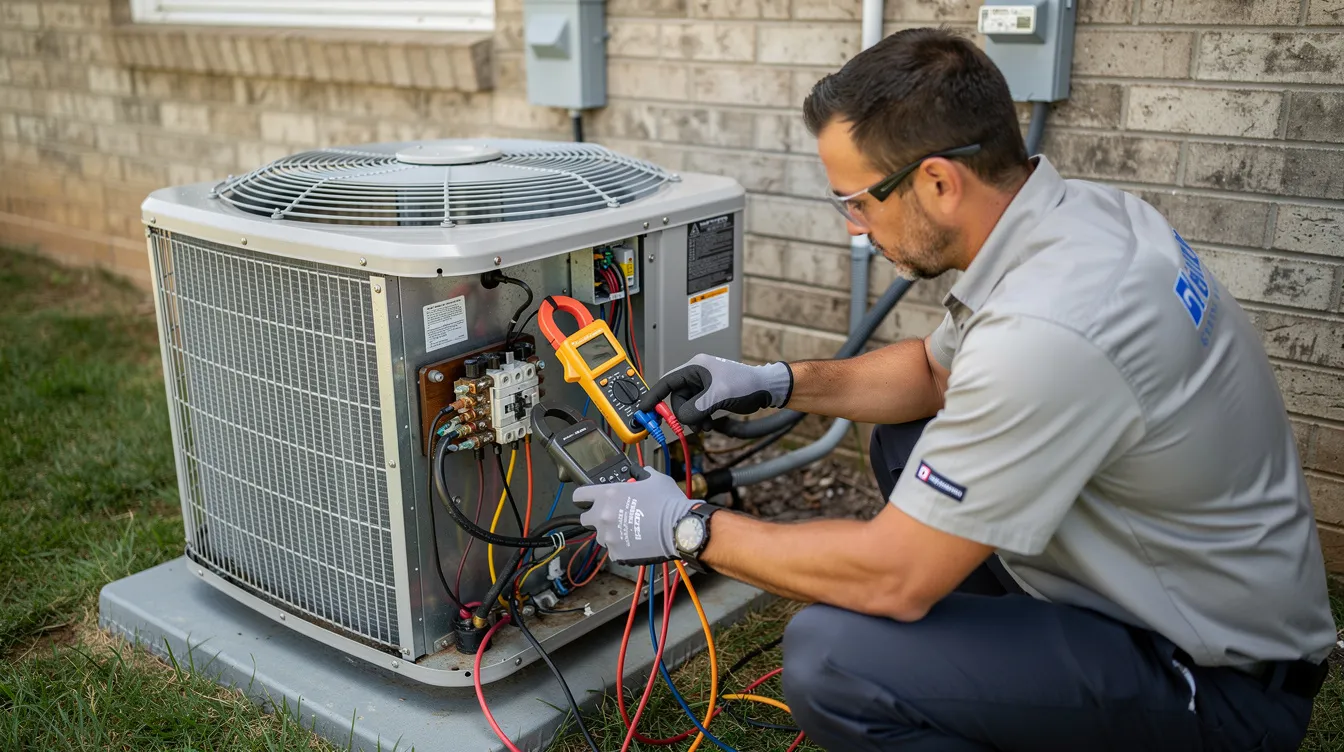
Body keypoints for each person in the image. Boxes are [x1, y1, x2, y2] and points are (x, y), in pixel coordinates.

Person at [571, 27, 1336, 752]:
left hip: (1218, 684)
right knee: (908, 442)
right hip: (1155, 590)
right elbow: (935, 375)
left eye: (857, 201)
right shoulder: (1080, 221)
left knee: (832, 659)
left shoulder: (1052, 329)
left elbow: (892, 577)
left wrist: (687, 530)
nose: (854, 229)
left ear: (937, 181)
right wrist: (775, 384)